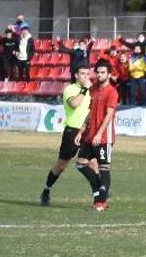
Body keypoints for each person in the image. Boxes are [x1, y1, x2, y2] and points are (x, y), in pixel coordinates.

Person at [40, 64, 107, 210]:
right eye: (82, 73)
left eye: (87, 74)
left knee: (93, 163)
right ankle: (47, 189)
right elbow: (75, 104)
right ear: (76, 75)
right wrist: (84, 89)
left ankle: (99, 196)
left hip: (88, 131)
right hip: (72, 131)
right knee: (61, 166)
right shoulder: (70, 89)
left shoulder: (93, 90)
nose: (86, 76)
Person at [80, 60, 119, 206]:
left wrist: (99, 133)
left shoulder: (112, 92)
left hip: (104, 137)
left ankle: (101, 201)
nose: (99, 75)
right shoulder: (94, 89)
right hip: (91, 135)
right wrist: (82, 131)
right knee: (81, 164)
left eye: (103, 72)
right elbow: (90, 112)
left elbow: (109, 116)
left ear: (109, 74)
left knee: (104, 168)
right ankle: (100, 189)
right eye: (98, 72)